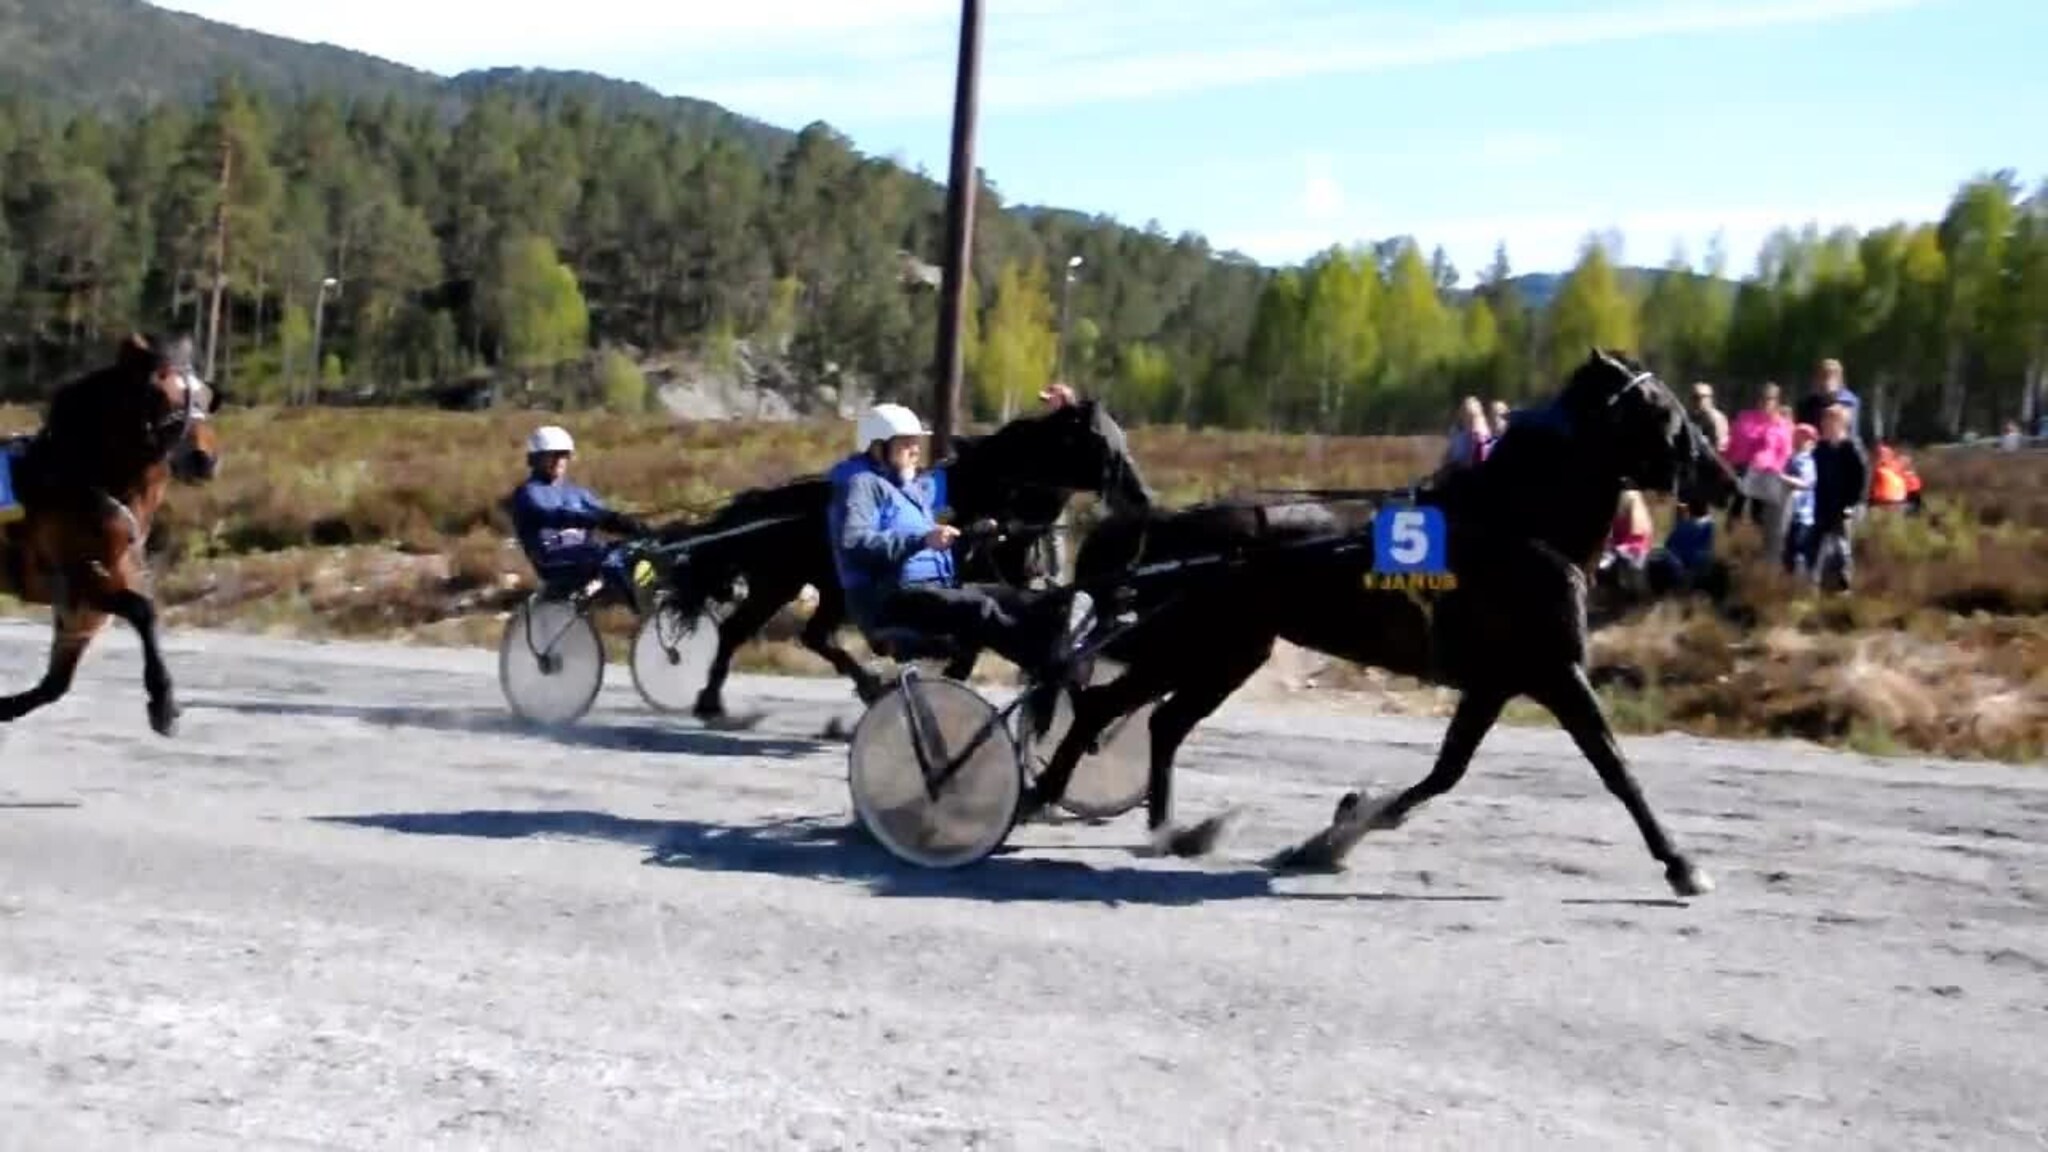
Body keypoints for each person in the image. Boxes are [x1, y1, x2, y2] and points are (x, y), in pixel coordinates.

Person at [827, 401, 1095, 728]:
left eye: (916, 442)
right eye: (906, 443)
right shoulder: (859, 485)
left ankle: (1061, 651)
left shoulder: (907, 487)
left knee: (1015, 599)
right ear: (878, 447)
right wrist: (923, 539)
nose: (916, 449)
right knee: (980, 609)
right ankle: (1048, 668)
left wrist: (971, 536)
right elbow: (854, 543)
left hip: (928, 590)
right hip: (887, 601)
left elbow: (934, 533)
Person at [509, 424, 654, 606]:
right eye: (552, 455)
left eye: (563, 455)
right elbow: (552, 515)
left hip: (586, 553)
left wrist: (630, 525)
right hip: (552, 561)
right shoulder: (528, 493)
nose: (559, 460)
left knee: (637, 550)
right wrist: (600, 519)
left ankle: (656, 598)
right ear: (535, 458)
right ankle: (638, 609)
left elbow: (602, 513)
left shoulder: (576, 492)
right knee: (610, 558)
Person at [1725, 381, 1795, 555]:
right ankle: (1730, 546)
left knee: (1759, 516)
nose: (1765, 402)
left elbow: (1785, 453)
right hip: (1742, 471)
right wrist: (1727, 463)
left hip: (1766, 475)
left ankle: (1756, 551)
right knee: (1736, 511)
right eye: (1762, 398)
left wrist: (1775, 471)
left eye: (1769, 399)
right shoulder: (1745, 418)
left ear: (1776, 401)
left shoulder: (1782, 425)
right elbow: (1734, 444)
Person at [1806, 405, 1870, 592]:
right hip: (1823, 505)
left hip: (1846, 507)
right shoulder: (1821, 449)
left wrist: (1852, 504)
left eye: (1830, 420)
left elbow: (1862, 478)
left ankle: (1843, 587)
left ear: (1841, 423)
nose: (1825, 424)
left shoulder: (1852, 448)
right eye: (1824, 420)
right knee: (1816, 545)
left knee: (1843, 548)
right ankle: (1815, 585)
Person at [1780, 423, 1819, 575]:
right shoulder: (1790, 458)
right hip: (1789, 514)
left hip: (1804, 516)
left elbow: (1806, 483)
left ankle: (1801, 584)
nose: (1800, 440)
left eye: (1805, 438)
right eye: (1798, 436)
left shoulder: (1808, 460)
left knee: (1799, 554)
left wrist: (1782, 478)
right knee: (1788, 554)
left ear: (1812, 442)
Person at [1795, 358, 1862, 443]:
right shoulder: (1806, 405)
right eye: (1823, 377)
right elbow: (1802, 434)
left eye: (1831, 376)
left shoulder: (1849, 402)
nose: (1826, 381)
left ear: (1840, 380)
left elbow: (1851, 433)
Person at [1689, 382, 1730, 454]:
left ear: (1710, 398)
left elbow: (1720, 446)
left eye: (1703, 396)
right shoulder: (1692, 415)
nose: (1699, 400)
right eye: (1695, 397)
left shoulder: (1715, 418)